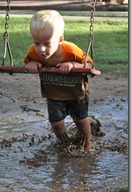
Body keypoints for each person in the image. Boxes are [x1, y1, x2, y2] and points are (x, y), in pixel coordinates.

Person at [24, 10, 93, 153]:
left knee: (80, 120)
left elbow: (89, 65)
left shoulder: (71, 50)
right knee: (56, 123)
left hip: (75, 92)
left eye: (47, 44)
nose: (41, 49)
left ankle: (87, 144)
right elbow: (29, 61)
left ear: (60, 39)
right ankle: (65, 144)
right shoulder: (33, 52)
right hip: (54, 93)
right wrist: (31, 64)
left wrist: (74, 65)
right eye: (37, 43)